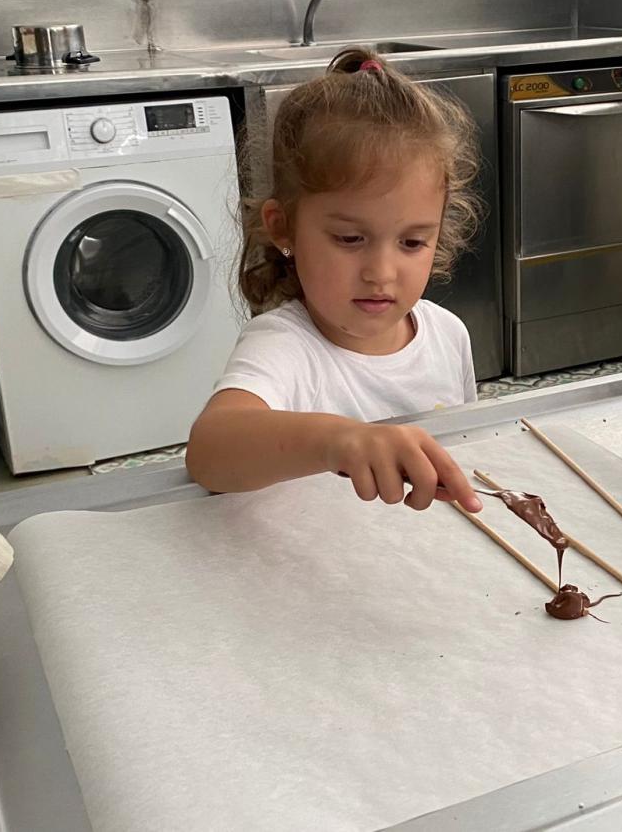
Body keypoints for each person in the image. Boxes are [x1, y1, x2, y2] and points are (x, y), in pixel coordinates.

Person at [185, 48, 485, 513]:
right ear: (284, 228)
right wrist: (338, 441)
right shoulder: (285, 347)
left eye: (412, 242)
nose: (381, 273)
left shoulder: (449, 335)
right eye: (349, 238)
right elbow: (209, 452)